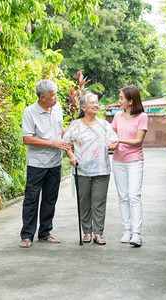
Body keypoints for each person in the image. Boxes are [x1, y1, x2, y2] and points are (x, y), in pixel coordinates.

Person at [19, 79, 71, 248]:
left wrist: (67, 142)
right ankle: (27, 235)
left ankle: (45, 232)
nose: (56, 97)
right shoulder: (30, 112)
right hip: (37, 164)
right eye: (53, 95)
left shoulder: (57, 108)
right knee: (31, 199)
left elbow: (59, 128)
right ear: (42, 97)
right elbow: (27, 139)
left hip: (55, 163)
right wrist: (52, 143)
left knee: (50, 198)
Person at [64, 93, 118, 245]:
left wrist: (113, 144)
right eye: (92, 103)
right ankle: (86, 232)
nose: (96, 105)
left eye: (96, 102)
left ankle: (98, 233)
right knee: (84, 202)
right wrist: (71, 156)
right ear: (83, 107)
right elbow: (66, 143)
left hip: (101, 169)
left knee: (99, 202)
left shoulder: (104, 124)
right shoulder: (75, 125)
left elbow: (114, 139)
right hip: (81, 170)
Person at [109, 85, 148, 247]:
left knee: (133, 196)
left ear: (131, 101)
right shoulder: (117, 116)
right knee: (123, 197)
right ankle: (127, 230)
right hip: (118, 160)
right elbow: (111, 136)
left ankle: (136, 233)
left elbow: (138, 141)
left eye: (121, 98)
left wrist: (120, 140)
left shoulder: (142, 117)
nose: (119, 101)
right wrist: (111, 143)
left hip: (134, 161)